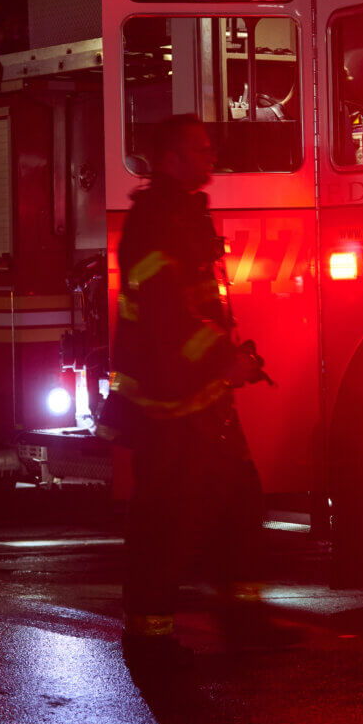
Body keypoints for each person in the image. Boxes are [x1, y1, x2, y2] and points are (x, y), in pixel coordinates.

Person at [100, 113, 299, 669]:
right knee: (164, 519)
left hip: (202, 392)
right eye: (199, 149)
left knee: (238, 500)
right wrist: (222, 358)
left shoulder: (183, 211)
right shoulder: (156, 221)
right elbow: (165, 314)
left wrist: (225, 361)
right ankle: (149, 639)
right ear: (170, 157)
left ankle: (243, 619)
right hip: (168, 400)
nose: (210, 156)